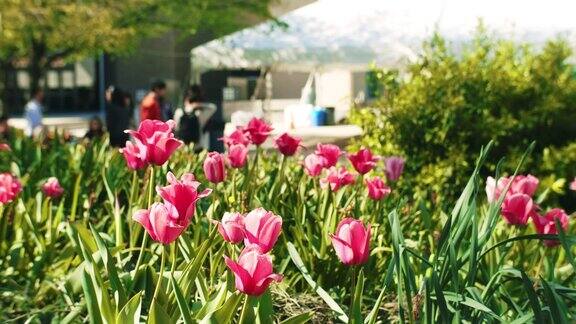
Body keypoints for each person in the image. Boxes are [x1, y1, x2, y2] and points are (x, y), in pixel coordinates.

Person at [174, 84, 216, 151]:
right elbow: (213, 107)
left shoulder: (179, 112)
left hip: (182, 147)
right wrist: (198, 105)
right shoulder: (199, 113)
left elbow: (176, 129)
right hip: (197, 147)